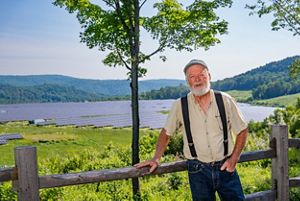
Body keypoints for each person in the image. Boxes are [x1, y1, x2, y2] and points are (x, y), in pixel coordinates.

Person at [135, 59, 248, 201]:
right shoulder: (180, 105)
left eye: (201, 75)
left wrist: (234, 158)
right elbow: (166, 133)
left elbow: (242, 129)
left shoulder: (225, 100)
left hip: (226, 167)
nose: (198, 80)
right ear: (188, 81)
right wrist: (156, 158)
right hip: (197, 170)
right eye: (192, 77)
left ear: (209, 76)